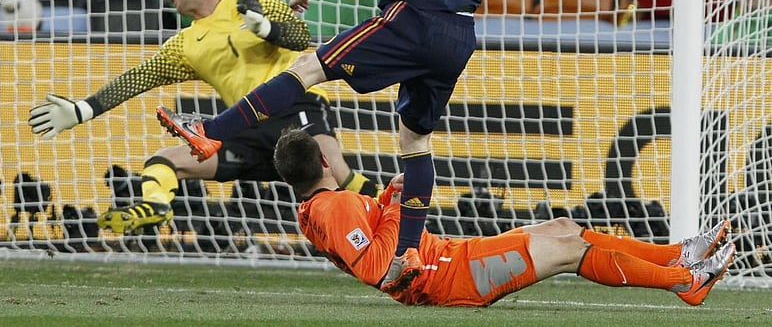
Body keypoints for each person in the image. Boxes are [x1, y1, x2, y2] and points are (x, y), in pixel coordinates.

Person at [157, 0, 594, 295]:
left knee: (306, 69)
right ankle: (406, 253)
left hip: (410, 19)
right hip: (459, 33)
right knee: (416, 140)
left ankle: (210, 132)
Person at [28, 0, 377, 234]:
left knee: (339, 175)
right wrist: (82, 109)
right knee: (164, 161)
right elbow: (136, 79)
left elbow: (300, 38)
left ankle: (393, 217)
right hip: (245, 127)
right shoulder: (184, 44)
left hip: (291, 104)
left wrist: (266, 28)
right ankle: (156, 207)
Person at [273, 127, 736, 307]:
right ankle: (682, 281)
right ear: (326, 160)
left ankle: (675, 254)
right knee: (571, 250)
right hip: (445, 278)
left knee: (564, 228)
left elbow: (373, 240)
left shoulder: (315, 209)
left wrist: (390, 200)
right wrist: (399, 205)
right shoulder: (336, 205)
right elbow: (378, 269)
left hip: (448, 259)